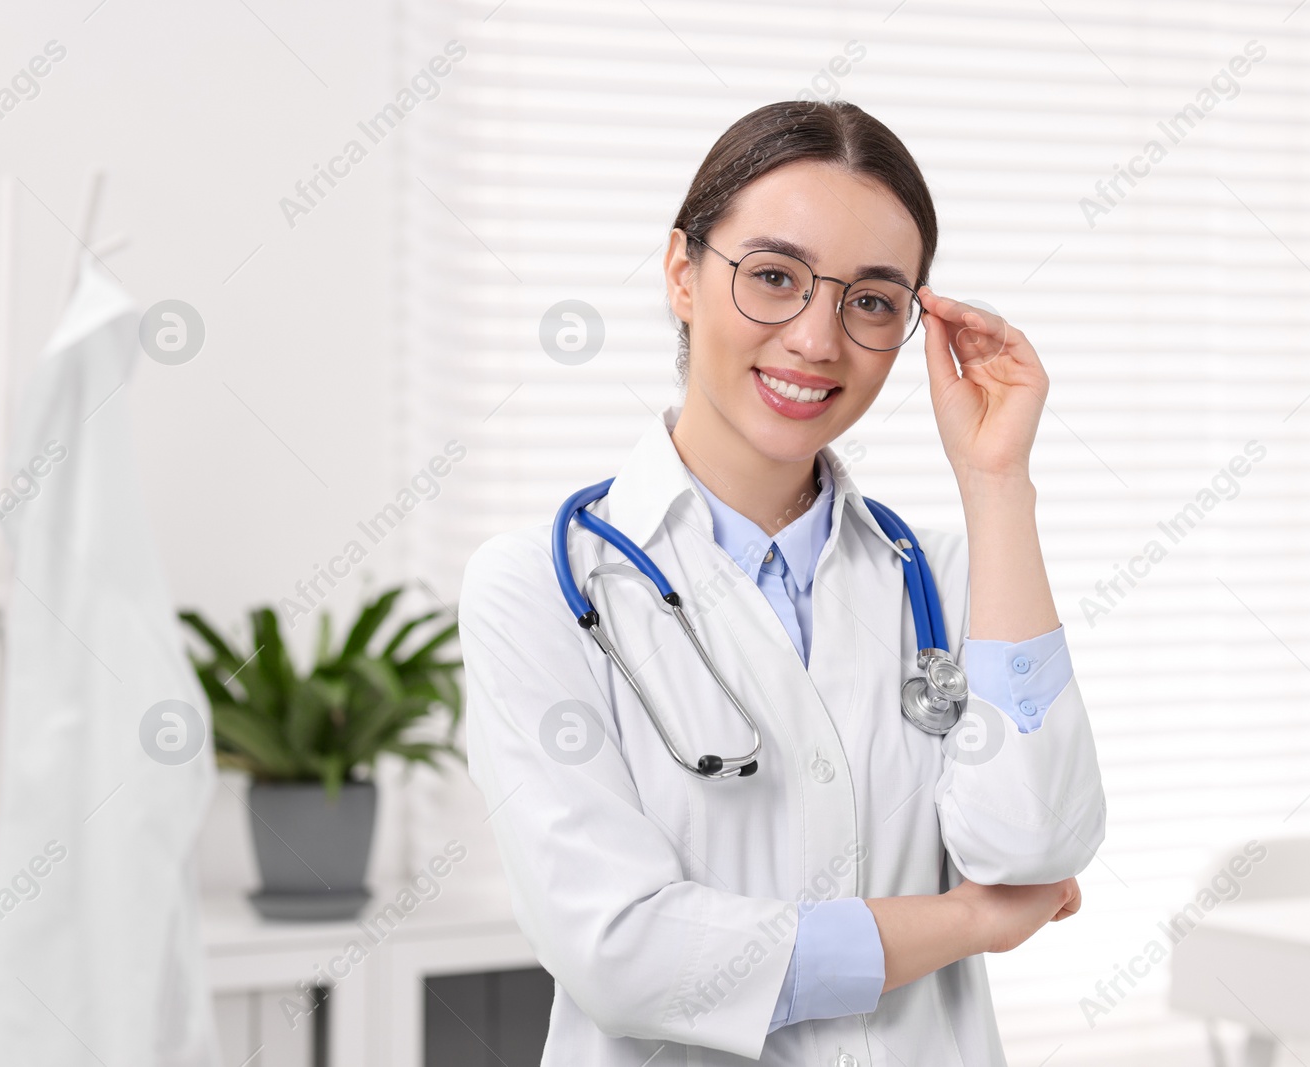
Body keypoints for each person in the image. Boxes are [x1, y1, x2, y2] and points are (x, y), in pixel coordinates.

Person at [460, 99, 1105, 1067]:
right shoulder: (539, 586)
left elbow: (1034, 843)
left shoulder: (951, 572)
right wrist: (965, 921)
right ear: (682, 273)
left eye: (872, 301)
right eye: (773, 277)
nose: (816, 338)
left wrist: (996, 482)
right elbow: (622, 953)